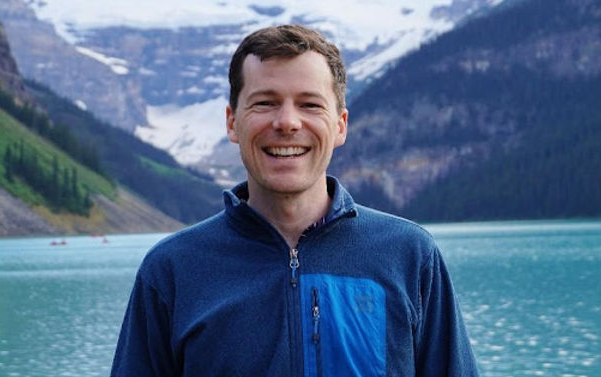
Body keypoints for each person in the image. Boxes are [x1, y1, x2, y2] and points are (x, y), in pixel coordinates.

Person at [110, 24, 479, 376]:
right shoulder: (172, 271)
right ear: (232, 122)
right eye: (265, 103)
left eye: (310, 105)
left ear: (340, 125)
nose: (287, 122)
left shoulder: (409, 256)